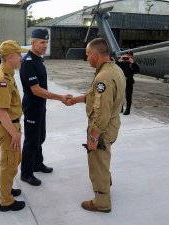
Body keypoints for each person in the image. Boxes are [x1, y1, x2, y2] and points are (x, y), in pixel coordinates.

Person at [69, 38, 125, 212]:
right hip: (112, 124)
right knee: (104, 156)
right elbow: (94, 95)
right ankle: (106, 182)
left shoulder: (104, 78)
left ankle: (102, 201)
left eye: (87, 55)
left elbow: (102, 112)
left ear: (95, 55)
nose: (87, 59)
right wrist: (76, 99)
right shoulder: (114, 69)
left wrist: (93, 137)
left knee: (97, 162)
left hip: (102, 128)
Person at [19, 29, 72, 186]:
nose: (45, 45)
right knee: (31, 141)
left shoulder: (39, 60)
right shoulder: (28, 62)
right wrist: (60, 97)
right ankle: (26, 173)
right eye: (42, 42)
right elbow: (36, 90)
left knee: (40, 137)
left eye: (47, 42)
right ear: (33, 42)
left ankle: (37, 163)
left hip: (40, 105)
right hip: (32, 106)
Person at [0, 40, 28, 212]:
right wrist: (15, 134)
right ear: (11, 56)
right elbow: (2, 111)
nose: (21, 58)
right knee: (9, 163)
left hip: (9, 125)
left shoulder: (8, 74)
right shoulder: (2, 79)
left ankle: (5, 188)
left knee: (12, 160)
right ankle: (6, 201)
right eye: (19, 55)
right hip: (7, 127)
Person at [116, 50, 140, 115]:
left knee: (128, 96)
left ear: (132, 56)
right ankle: (120, 108)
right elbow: (115, 67)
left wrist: (133, 63)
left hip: (129, 81)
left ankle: (128, 109)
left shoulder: (133, 63)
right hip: (122, 80)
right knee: (121, 95)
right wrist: (118, 61)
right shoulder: (123, 63)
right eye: (127, 55)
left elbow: (137, 70)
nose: (128, 56)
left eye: (130, 55)